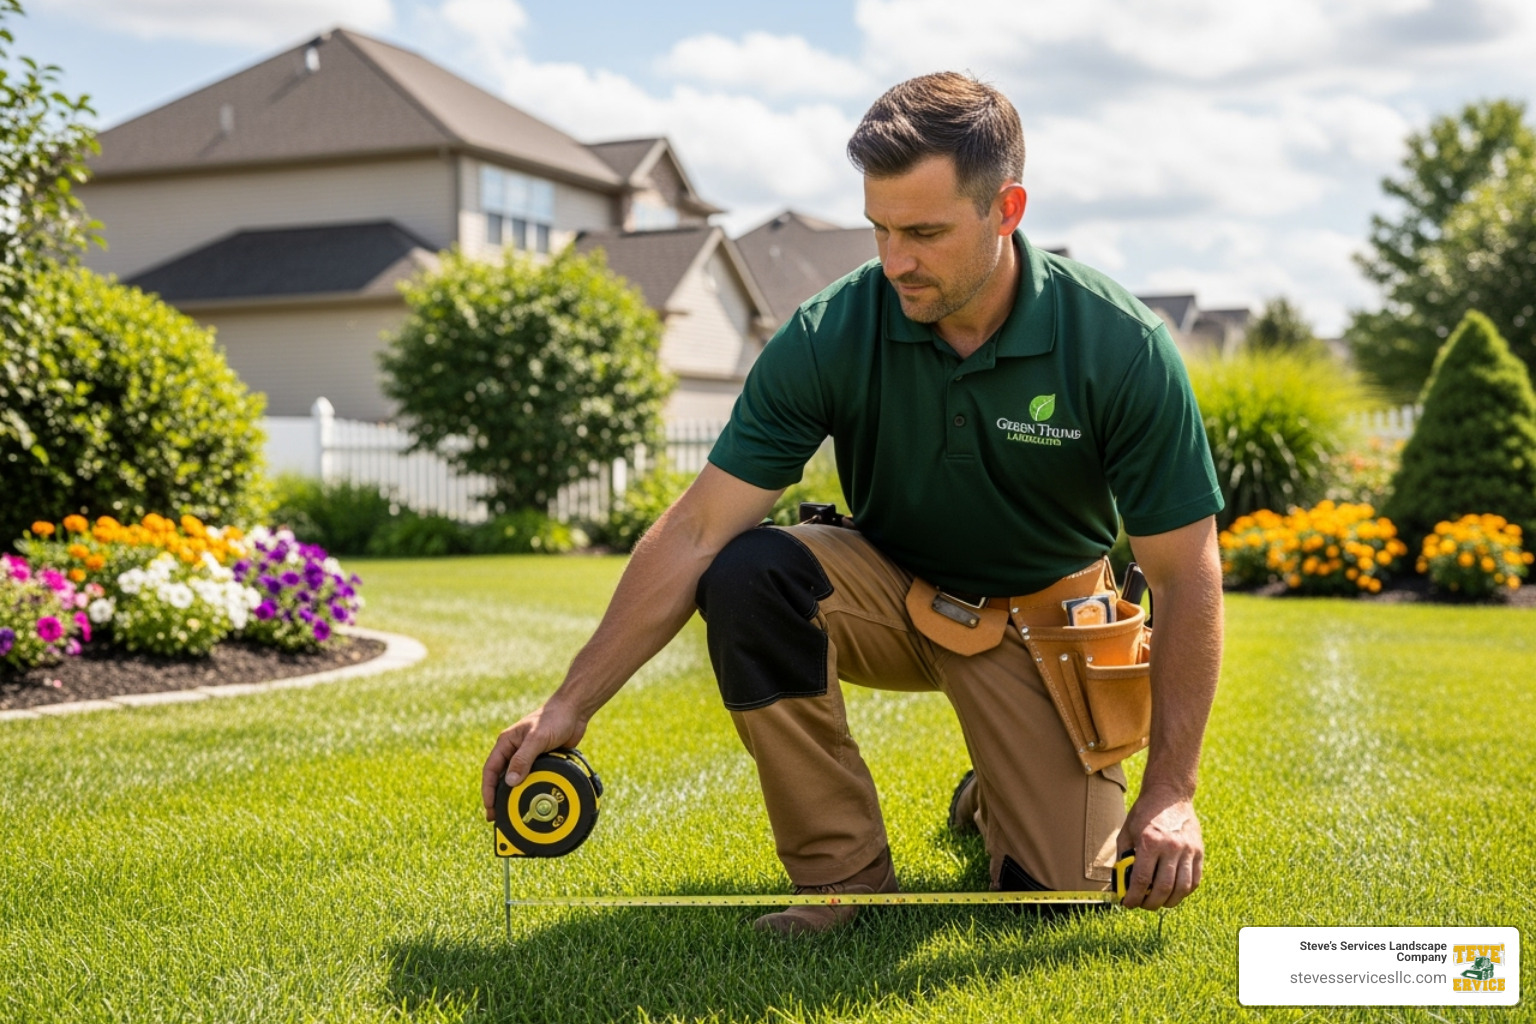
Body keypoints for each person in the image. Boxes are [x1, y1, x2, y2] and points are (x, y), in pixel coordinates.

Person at [482, 71, 1224, 935]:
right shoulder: (830, 332)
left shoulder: (1120, 346)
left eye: (924, 232)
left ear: (1006, 209)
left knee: (1050, 902)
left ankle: (1001, 784)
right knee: (749, 571)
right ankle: (846, 882)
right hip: (890, 591)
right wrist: (570, 703)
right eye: (879, 228)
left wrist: (1171, 791)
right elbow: (695, 530)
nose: (894, 260)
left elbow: (1183, 575)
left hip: (1042, 626)